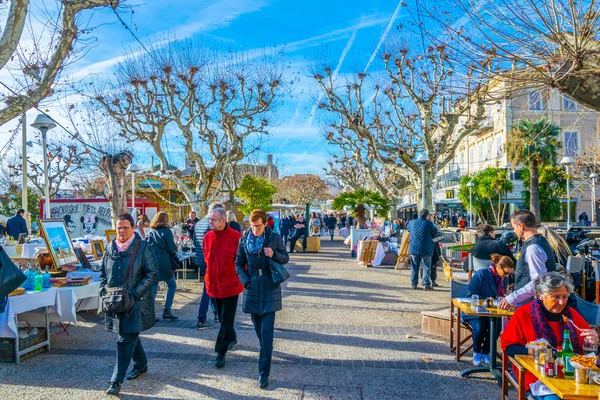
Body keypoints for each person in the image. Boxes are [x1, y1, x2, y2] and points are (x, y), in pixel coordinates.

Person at [501, 272, 598, 400]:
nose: (561, 302)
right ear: (541, 295)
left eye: (565, 296)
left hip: (574, 374)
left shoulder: (571, 316)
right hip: (537, 375)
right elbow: (508, 347)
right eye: (556, 297)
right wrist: (534, 351)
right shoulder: (524, 313)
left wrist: (595, 341)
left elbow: (589, 353)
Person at [100, 213, 158, 396]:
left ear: (133, 228)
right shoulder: (110, 248)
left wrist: (134, 294)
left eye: (125, 227)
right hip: (115, 303)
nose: (122, 231)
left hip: (136, 303)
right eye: (119, 227)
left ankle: (116, 381)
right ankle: (141, 364)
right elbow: (102, 274)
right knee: (129, 333)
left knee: (124, 338)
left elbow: (152, 274)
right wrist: (103, 290)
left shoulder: (143, 248)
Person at [236, 209, 289, 389]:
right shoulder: (244, 240)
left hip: (269, 287)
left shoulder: (274, 238)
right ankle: (266, 351)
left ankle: (263, 373)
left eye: (258, 226)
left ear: (265, 224)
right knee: (260, 332)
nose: (255, 229)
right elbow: (238, 263)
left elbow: (285, 257)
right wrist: (246, 281)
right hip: (252, 287)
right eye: (252, 226)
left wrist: (273, 254)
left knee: (266, 333)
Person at [203, 207, 243, 369]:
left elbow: (242, 262)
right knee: (221, 317)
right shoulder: (207, 237)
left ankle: (220, 352)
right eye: (209, 219)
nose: (210, 222)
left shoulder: (236, 237)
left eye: (213, 219)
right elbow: (206, 258)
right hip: (213, 285)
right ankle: (231, 337)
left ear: (223, 221)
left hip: (231, 286)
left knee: (226, 319)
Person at [499, 210, 557, 310]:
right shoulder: (542, 242)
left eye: (514, 227)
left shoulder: (533, 248)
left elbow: (538, 282)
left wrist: (512, 298)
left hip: (531, 305)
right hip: (536, 302)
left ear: (521, 226)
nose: (514, 231)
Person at [465, 254, 515, 366]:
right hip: (475, 310)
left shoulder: (504, 280)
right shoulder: (482, 274)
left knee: (496, 327)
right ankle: (477, 351)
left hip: (492, 312)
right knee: (480, 326)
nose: (507, 276)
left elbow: (502, 296)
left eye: (510, 274)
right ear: (498, 267)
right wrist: (482, 301)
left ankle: (485, 351)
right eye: (506, 273)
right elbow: (471, 293)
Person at [194, 204, 222, 329]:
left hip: (200, 259)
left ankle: (216, 314)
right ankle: (202, 319)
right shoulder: (211, 226)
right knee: (208, 289)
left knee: (210, 288)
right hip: (209, 261)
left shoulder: (198, 223)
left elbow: (195, 241)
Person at [147, 212, 178, 320]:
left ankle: (150, 313)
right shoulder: (166, 231)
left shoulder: (151, 231)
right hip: (164, 262)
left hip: (152, 262)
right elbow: (172, 248)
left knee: (153, 287)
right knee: (172, 285)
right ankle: (167, 310)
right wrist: (176, 247)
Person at [407, 209, 439, 290]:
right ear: (427, 216)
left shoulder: (412, 222)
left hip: (414, 248)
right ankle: (426, 284)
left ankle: (414, 283)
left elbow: (408, 228)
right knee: (426, 267)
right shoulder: (428, 223)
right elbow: (435, 232)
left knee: (414, 267)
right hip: (425, 248)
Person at [428, 214, 443, 287]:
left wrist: (433, 240)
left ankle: (433, 280)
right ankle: (427, 280)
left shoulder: (435, 226)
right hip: (428, 248)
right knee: (426, 265)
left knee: (433, 265)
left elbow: (441, 236)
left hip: (434, 248)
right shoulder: (427, 226)